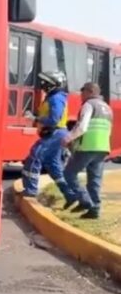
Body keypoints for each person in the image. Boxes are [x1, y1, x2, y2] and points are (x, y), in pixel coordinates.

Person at [61, 82, 114, 219]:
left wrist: (68, 138)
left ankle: (85, 201)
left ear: (90, 92)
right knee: (94, 180)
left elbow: (82, 127)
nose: (81, 95)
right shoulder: (107, 108)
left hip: (88, 146)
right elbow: (108, 130)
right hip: (102, 147)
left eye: (82, 92)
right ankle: (94, 210)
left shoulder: (89, 105)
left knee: (69, 174)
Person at [21, 72, 71, 199]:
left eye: (46, 83)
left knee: (35, 156)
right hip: (56, 133)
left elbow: (54, 119)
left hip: (55, 133)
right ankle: (69, 193)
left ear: (54, 84)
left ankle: (30, 190)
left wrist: (36, 118)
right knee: (53, 165)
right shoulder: (54, 97)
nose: (43, 85)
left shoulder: (56, 98)